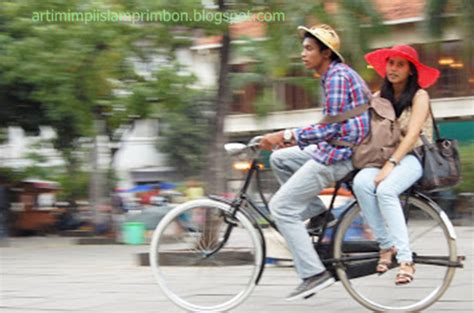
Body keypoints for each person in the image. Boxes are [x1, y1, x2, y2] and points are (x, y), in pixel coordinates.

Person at [259, 24, 370, 300]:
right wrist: (291, 140)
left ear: (326, 53)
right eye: (303, 47)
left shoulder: (336, 77)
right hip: (334, 147)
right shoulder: (332, 75)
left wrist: (284, 134)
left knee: (281, 207)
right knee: (281, 159)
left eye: (309, 48)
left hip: (340, 155)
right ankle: (320, 214)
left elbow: (330, 131)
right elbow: (330, 126)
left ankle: (313, 273)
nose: (302, 53)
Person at [352, 45, 440, 285]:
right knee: (360, 183)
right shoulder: (379, 97)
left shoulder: (419, 96)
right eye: (391, 63)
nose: (394, 68)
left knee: (386, 190)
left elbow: (412, 136)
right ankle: (385, 245)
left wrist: (391, 164)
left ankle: (405, 260)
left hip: (414, 157)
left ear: (411, 70)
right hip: (384, 159)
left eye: (401, 64)